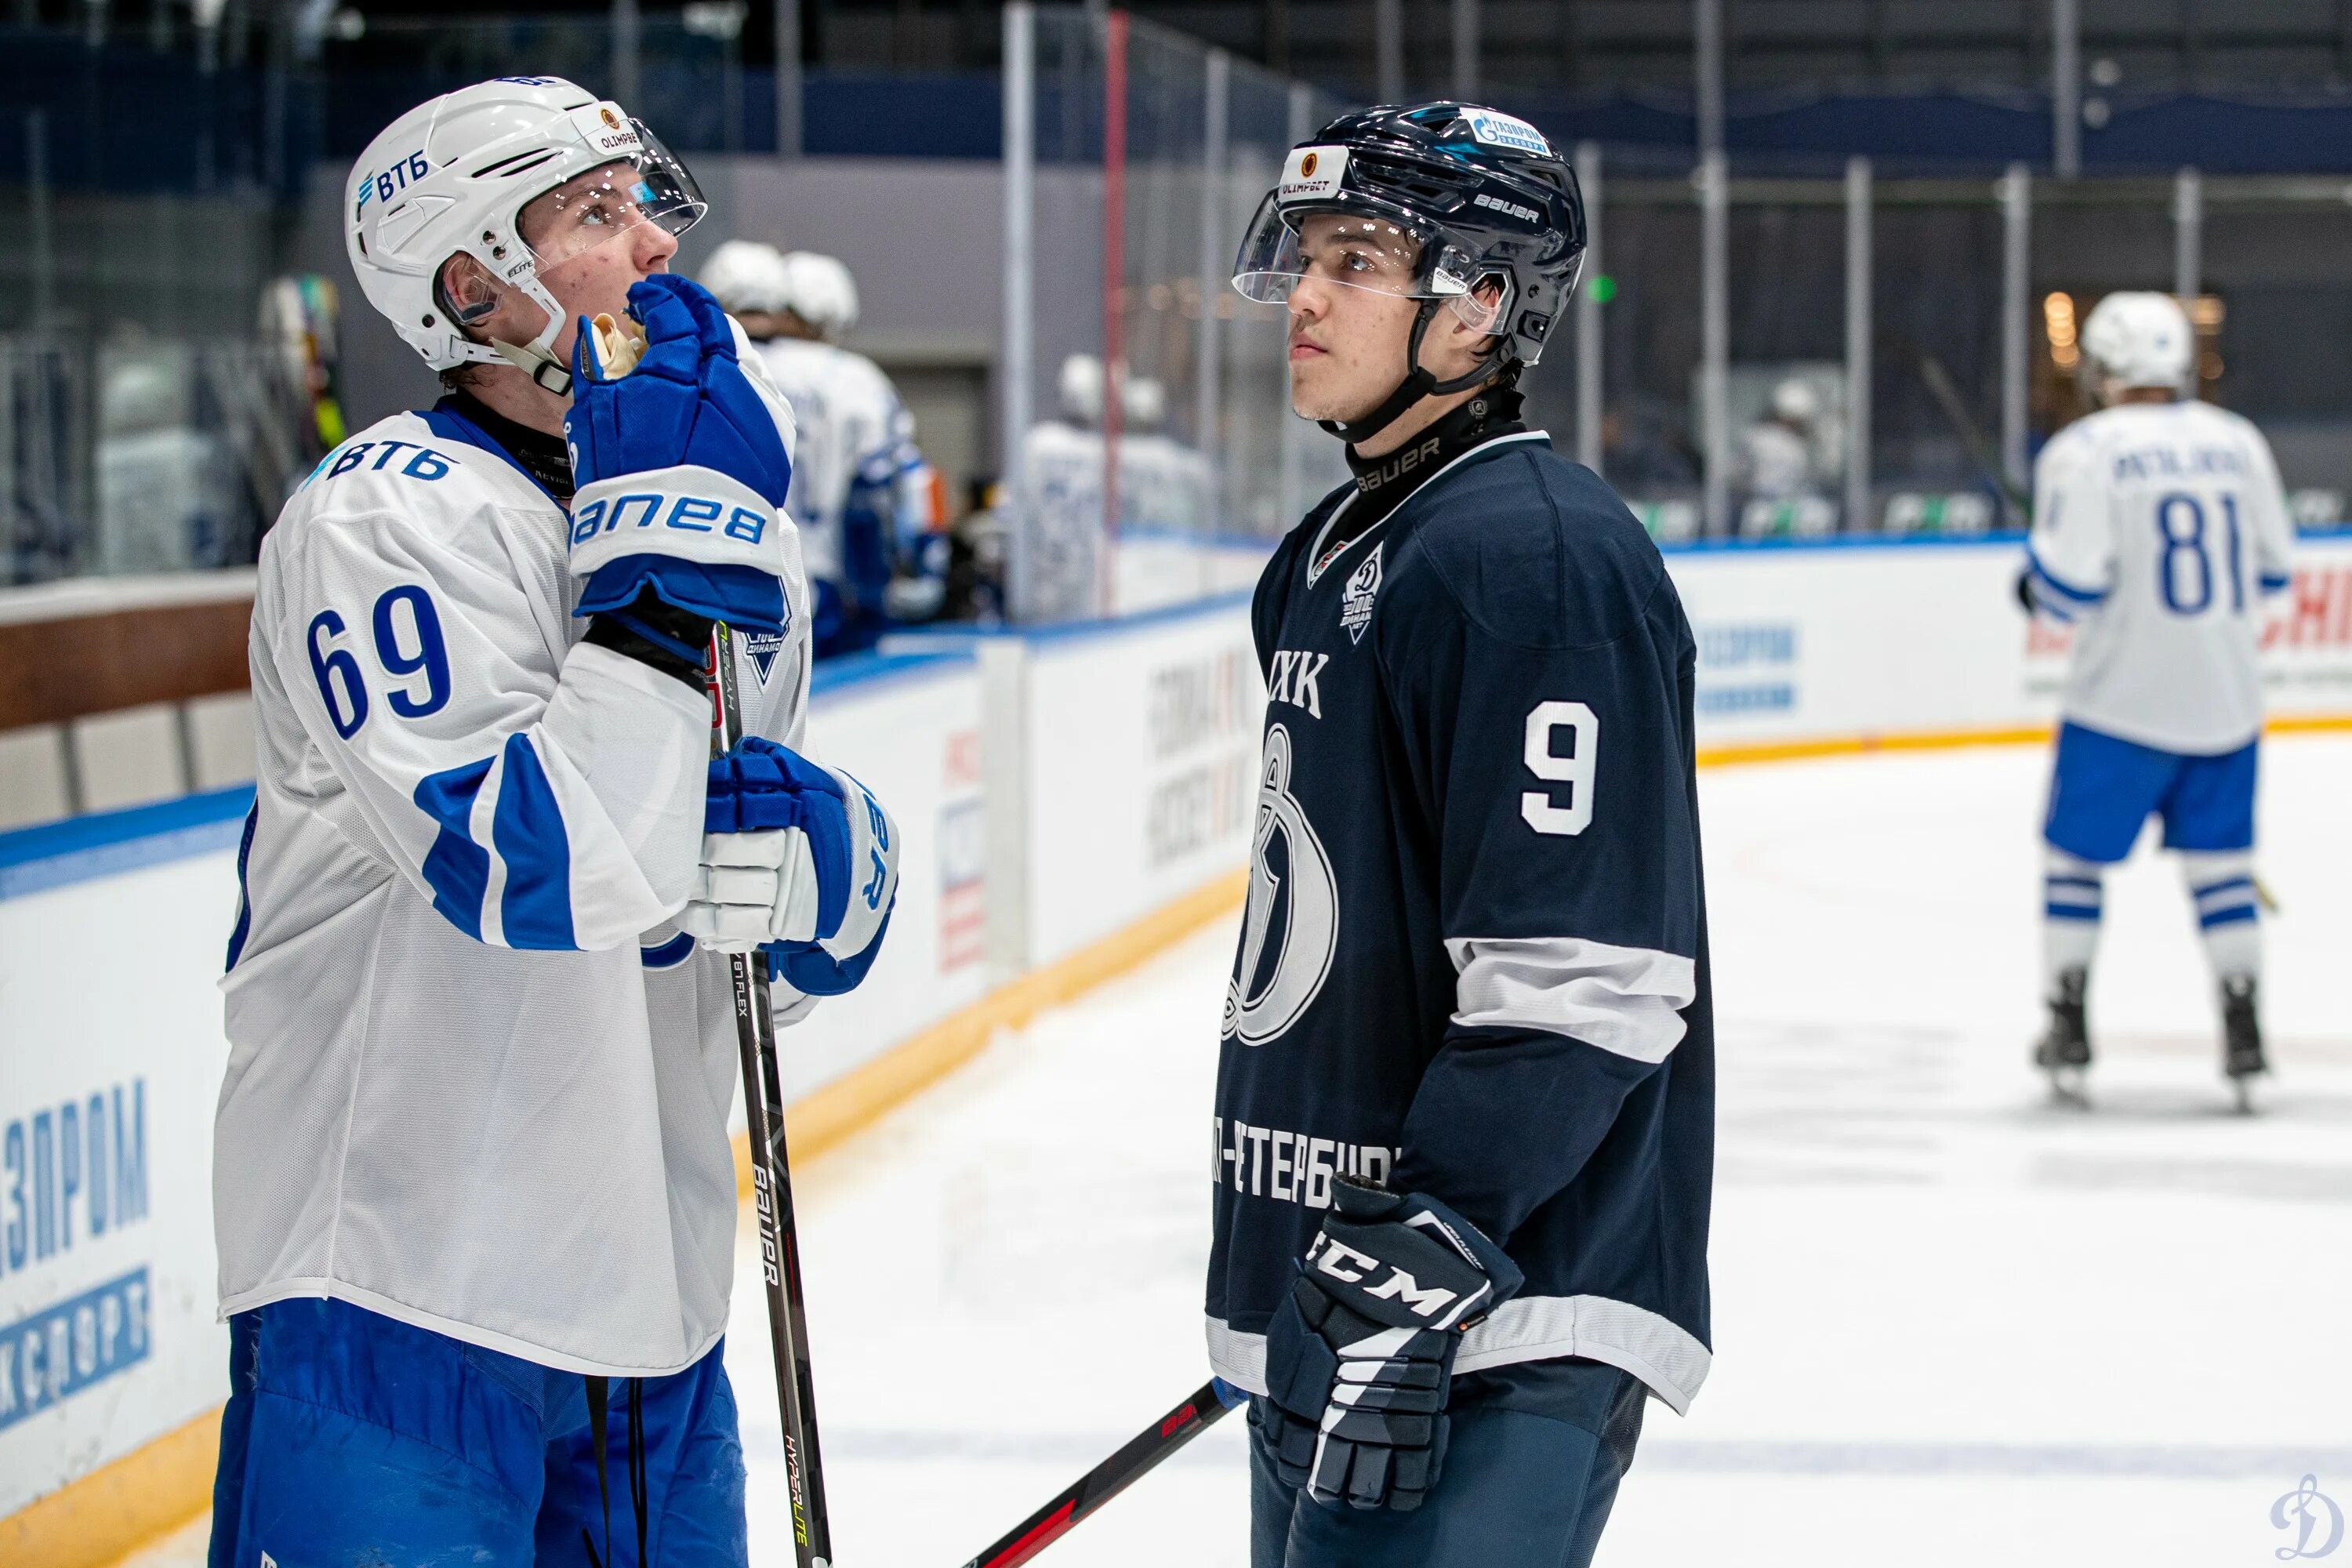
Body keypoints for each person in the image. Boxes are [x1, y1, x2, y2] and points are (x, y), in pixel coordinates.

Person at [210, 77, 901, 1566]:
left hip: (646, 1300)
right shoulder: (385, 518)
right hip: (402, 1291)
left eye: (644, 205)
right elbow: (532, 866)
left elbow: (698, 897)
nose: (656, 245)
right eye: (597, 215)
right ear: (471, 284)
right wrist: (663, 561)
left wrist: (819, 885)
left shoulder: (711, 509)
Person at [1214, 103, 1715, 1568]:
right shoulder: (1327, 553)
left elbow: (1591, 973)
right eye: (1305, 255)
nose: (1305, 296)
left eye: (1358, 260)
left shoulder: (1538, 556)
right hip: (1340, 1292)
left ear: (1480, 303)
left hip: (1485, 1318)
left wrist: (1425, 1233)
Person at [2019, 290, 2293, 1109]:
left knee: (2074, 862)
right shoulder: (2237, 441)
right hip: (2225, 699)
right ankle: (2243, 1027)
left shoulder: (2086, 449)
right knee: (2223, 870)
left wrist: (2029, 586)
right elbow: (2274, 570)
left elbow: (2067, 591)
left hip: (2118, 704)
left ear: (2104, 367)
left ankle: (2068, 1020)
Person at [722, 247, 942, 655]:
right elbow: (900, 486)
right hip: (820, 580)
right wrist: (921, 563)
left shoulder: (716, 365)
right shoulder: (854, 378)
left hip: (724, 574)